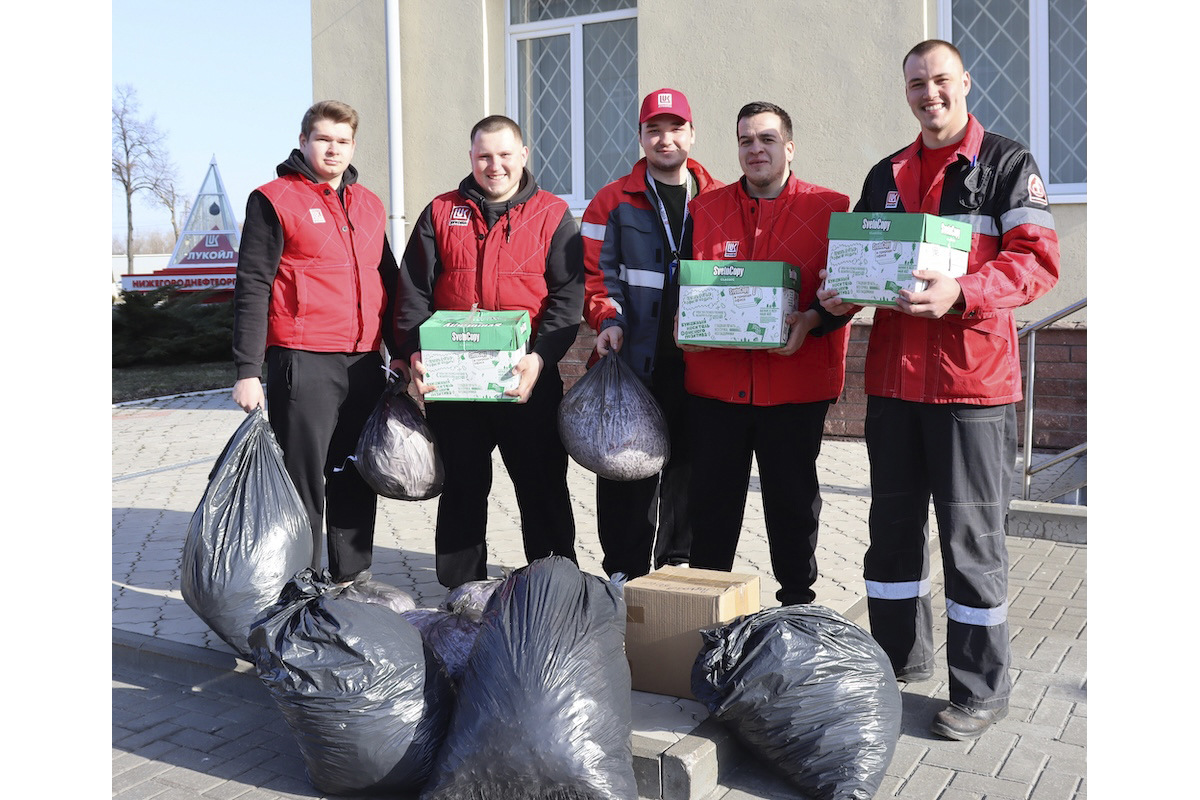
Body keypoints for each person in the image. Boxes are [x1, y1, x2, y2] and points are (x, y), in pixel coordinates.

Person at [818, 40, 1060, 740]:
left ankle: (981, 690)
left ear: (965, 83)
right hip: (894, 387)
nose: (930, 93)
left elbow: (1037, 263)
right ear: (907, 92)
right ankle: (896, 661)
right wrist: (838, 294)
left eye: (941, 80)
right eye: (918, 83)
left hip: (971, 389)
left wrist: (962, 291)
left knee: (970, 542)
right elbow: (860, 263)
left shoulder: (1008, 165)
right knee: (890, 538)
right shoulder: (887, 173)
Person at [393, 115, 584, 590]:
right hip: (456, 386)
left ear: (523, 156)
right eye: (484, 156)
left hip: (527, 382)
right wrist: (414, 352)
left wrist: (540, 358)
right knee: (461, 490)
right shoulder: (440, 212)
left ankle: (553, 588)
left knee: (542, 489)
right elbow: (413, 291)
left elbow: (567, 300)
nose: (494, 165)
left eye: (504, 155)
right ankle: (462, 594)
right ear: (471, 158)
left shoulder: (553, 214)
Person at [680, 101, 850, 606]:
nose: (756, 149)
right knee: (711, 506)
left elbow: (849, 291)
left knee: (793, 505)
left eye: (767, 139)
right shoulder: (704, 209)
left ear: (789, 147)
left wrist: (814, 320)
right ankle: (706, 614)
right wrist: (681, 322)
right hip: (716, 388)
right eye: (746, 140)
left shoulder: (832, 208)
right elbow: (684, 286)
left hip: (796, 387)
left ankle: (798, 608)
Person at [231, 100, 397, 584]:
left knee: (355, 471)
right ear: (304, 141)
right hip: (303, 360)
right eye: (324, 139)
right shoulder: (273, 199)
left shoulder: (368, 204)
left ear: (353, 146)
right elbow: (253, 285)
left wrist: (401, 350)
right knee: (304, 482)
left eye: (343, 141)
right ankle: (299, 585)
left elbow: (387, 277)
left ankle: (351, 577)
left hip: (364, 361)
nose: (333, 149)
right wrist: (247, 370)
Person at [580, 88, 722, 579]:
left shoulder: (719, 198)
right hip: (634, 362)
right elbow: (597, 277)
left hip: (702, 364)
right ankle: (623, 569)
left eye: (675, 128)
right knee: (625, 469)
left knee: (687, 470)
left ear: (692, 133)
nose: (665, 139)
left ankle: (677, 567)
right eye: (654, 130)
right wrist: (608, 320)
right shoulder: (611, 201)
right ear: (640, 137)